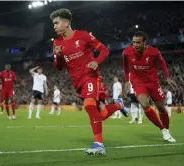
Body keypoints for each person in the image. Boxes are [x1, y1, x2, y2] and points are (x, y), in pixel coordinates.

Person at [50, 8, 128, 155]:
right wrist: (59, 56)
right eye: (53, 24)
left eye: (56, 23)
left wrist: (97, 62)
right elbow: (59, 67)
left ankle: (99, 145)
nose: (54, 26)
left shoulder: (83, 36)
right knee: (102, 114)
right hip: (78, 83)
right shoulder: (57, 43)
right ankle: (118, 104)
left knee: (89, 106)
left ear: (66, 23)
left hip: (91, 77)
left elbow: (104, 50)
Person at [123, 31, 177, 142]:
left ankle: (166, 129)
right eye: (133, 42)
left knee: (161, 107)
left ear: (144, 43)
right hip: (137, 81)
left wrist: (167, 77)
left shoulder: (154, 52)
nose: (135, 45)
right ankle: (163, 130)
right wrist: (127, 80)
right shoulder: (127, 52)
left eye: (138, 42)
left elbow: (162, 63)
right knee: (144, 104)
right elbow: (125, 66)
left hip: (152, 82)